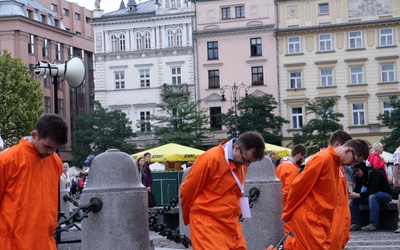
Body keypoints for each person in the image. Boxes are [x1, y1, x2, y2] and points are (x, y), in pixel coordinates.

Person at [277, 139, 369, 250]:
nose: (352, 165)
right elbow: (299, 186)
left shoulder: (334, 163)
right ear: (348, 150)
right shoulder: (322, 159)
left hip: (318, 220)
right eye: (354, 160)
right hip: (310, 218)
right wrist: (287, 213)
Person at [180, 131, 265, 250]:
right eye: (247, 160)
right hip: (207, 223)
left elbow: (237, 192)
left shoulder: (241, 164)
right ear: (236, 148)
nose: (247, 165)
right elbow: (187, 190)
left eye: (250, 162)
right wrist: (189, 217)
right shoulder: (210, 159)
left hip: (230, 223)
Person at [0, 114, 68, 249]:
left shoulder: (55, 162)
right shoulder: (8, 160)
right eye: (47, 146)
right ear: (34, 135)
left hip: (44, 243)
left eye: (55, 148)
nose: (51, 152)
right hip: (12, 244)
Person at [349, 161, 393, 231]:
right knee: (353, 200)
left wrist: (360, 195)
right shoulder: (359, 176)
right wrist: (352, 194)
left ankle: (373, 224)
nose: (357, 173)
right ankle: (356, 223)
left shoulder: (373, 173)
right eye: (356, 171)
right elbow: (357, 187)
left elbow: (374, 189)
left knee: (372, 197)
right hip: (372, 194)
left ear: (362, 168)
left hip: (385, 194)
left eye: (358, 171)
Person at [275, 144, 307, 233]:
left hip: (277, 205)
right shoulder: (292, 169)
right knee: (288, 235)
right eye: (304, 157)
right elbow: (290, 191)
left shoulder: (280, 166)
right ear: (299, 155)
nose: (303, 160)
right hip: (286, 208)